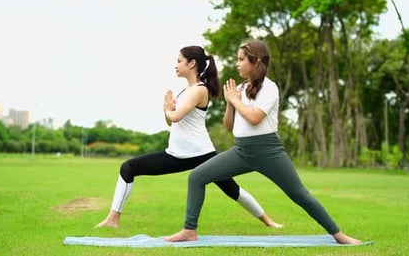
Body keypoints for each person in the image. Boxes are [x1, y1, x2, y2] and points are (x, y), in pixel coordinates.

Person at [164, 40, 362, 244]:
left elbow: (254, 118)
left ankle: (338, 235)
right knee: (197, 177)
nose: (237, 64)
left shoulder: (269, 88)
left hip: (269, 152)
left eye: (241, 59)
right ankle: (189, 231)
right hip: (241, 152)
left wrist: (236, 100)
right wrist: (230, 104)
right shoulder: (240, 88)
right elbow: (229, 126)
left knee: (299, 194)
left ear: (255, 61)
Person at [95, 45, 283, 229]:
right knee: (128, 168)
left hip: (201, 154)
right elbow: (172, 122)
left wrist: (169, 110)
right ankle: (113, 218)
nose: (175, 65)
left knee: (232, 190)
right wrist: (166, 110)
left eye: (179, 61)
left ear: (192, 64)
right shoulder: (185, 91)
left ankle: (268, 221)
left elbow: (175, 116)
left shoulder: (199, 90)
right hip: (176, 154)